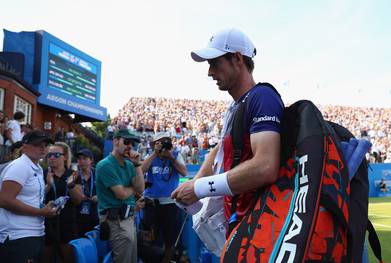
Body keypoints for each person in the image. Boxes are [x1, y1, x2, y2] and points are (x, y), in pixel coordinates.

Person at [172, 28, 284, 235]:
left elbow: (266, 166)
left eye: (215, 63)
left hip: (257, 229)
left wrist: (199, 188)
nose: (209, 72)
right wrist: (196, 181)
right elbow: (219, 151)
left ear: (237, 59)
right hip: (238, 225)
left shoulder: (262, 97)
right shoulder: (236, 107)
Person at [0, 130, 57, 263]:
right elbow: (5, 200)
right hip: (18, 236)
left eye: (46, 144)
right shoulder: (20, 166)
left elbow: (29, 198)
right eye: (37, 144)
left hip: (31, 234)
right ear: (24, 146)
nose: (43, 147)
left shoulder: (35, 167)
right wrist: (41, 212)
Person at [96, 129, 144, 263]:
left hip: (128, 219)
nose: (130, 146)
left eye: (132, 143)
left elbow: (140, 189)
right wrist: (133, 188)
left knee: (131, 260)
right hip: (115, 221)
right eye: (126, 141)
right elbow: (121, 194)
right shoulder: (105, 165)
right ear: (115, 141)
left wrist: (137, 164)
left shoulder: (130, 164)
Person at [140, 131, 188, 260]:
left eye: (166, 142)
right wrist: (155, 153)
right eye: (160, 143)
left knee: (170, 240)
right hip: (152, 204)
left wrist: (171, 157)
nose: (163, 145)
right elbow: (141, 171)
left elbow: (184, 172)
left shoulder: (176, 155)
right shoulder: (150, 157)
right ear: (154, 144)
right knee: (150, 238)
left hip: (170, 204)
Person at [41, 141, 78, 263]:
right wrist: (48, 185)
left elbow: (78, 200)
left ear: (65, 157)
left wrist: (71, 186)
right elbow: (36, 199)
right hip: (46, 224)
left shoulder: (72, 175)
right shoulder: (42, 173)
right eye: (49, 155)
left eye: (56, 155)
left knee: (67, 258)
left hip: (67, 223)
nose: (51, 158)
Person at [69, 148, 99, 237]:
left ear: (91, 160)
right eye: (79, 159)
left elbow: (108, 191)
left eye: (85, 159)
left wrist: (100, 196)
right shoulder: (74, 176)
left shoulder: (98, 173)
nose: (81, 161)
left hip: (96, 216)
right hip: (78, 217)